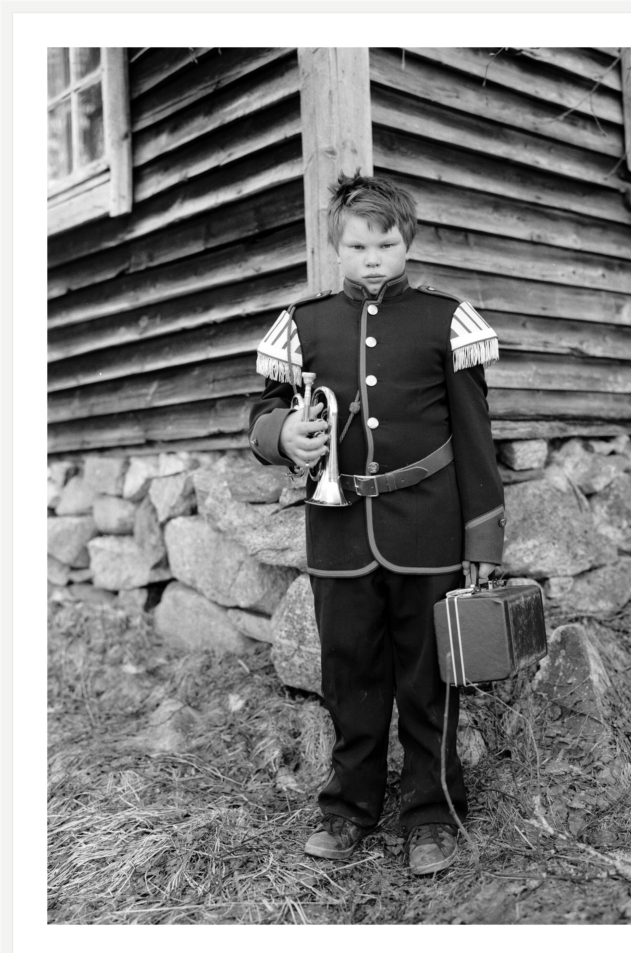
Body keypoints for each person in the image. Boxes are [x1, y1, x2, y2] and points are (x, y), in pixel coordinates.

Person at [248, 171, 505, 876]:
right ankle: (347, 809)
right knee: (350, 677)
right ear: (338, 247)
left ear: (406, 243)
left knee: (429, 680)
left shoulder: (445, 319)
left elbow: (476, 436)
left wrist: (482, 535)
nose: (371, 257)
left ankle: (430, 816)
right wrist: (283, 437)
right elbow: (261, 414)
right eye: (358, 245)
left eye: (385, 243)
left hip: (427, 528)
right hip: (337, 534)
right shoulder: (305, 325)